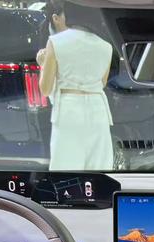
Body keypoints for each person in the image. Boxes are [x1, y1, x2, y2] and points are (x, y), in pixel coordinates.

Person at [38, 0, 114, 171]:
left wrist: (43, 65)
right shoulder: (106, 46)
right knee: (98, 167)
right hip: (98, 110)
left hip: (69, 109)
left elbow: (45, 89)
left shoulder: (56, 42)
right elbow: (102, 83)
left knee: (66, 169)